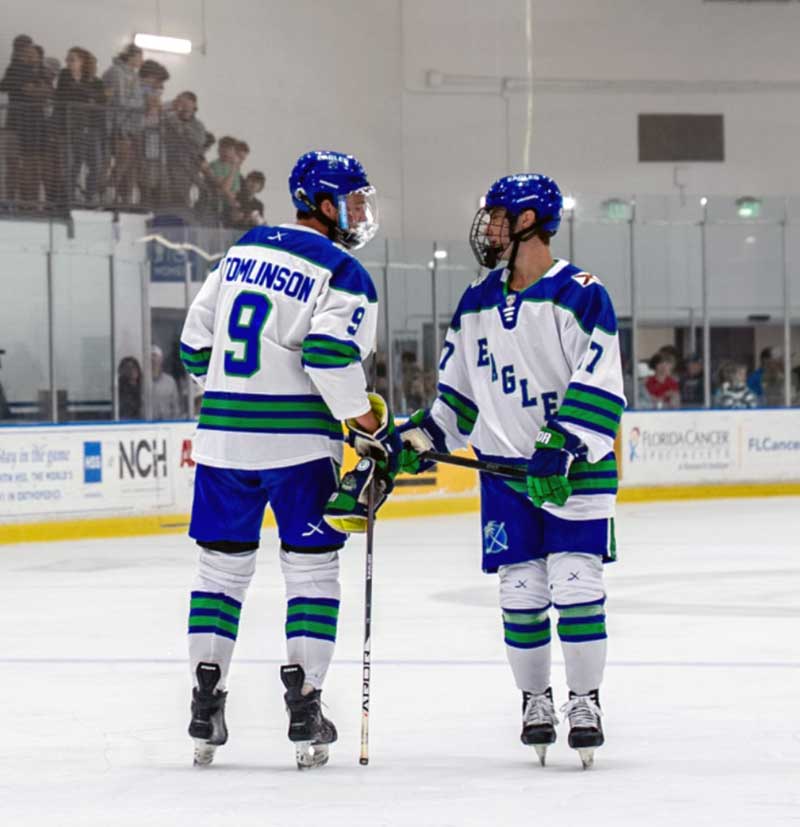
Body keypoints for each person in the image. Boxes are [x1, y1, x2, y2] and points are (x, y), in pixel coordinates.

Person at [387, 174, 625, 769]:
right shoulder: (475, 302)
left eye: (498, 216)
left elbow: (600, 384)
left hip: (576, 471)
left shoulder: (581, 293)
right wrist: (420, 435)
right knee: (521, 593)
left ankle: (585, 700)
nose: (487, 227)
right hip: (503, 474)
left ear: (529, 222)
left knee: (576, 585)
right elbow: (458, 398)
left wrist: (562, 443)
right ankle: (535, 701)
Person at [179, 150, 387, 770]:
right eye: (352, 201)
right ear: (324, 204)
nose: (359, 213)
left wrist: (234, 394)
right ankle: (305, 706)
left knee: (219, 573)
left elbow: (195, 345)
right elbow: (327, 355)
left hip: (221, 443)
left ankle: (205, 701)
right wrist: (367, 424)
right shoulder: (342, 270)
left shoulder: (242, 251)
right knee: (312, 572)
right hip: (298, 448)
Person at [164, 91, 206, 208]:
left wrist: (182, 125)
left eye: (187, 102)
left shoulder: (198, 125)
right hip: (167, 165)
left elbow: (199, 142)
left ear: (194, 105)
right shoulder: (169, 119)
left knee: (181, 200)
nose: (183, 105)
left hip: (185, 168)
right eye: (181, 101)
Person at [151, 344, 181, 419]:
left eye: (155, 356)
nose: (153, 359)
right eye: (151, 356)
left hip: (166, 425)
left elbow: (175, 407)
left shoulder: (170, 381)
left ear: (161, 359)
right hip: (145, 425)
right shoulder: (141, 381)